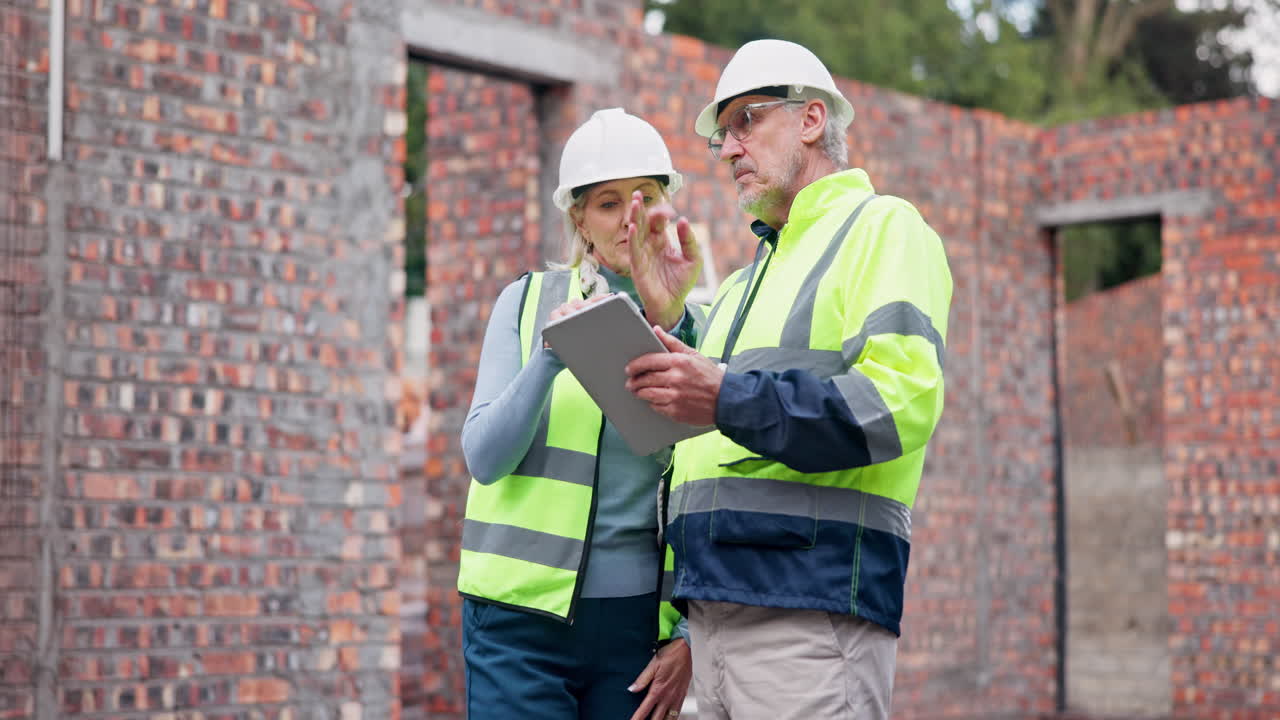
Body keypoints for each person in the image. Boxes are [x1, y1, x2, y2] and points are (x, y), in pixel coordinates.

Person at [623, 40, 954, 719]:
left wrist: (725, 395)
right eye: (722, 134)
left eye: (746, 120)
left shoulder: (883, 228)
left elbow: (898, 403)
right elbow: (703, 449)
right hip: (709, 630)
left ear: (810, 119)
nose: (727, 149)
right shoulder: (745, 282)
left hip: (810, 620)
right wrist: (670, 320)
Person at [458, 107, 703, 720]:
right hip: (518, 625)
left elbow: (712, 489)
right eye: (607, 203)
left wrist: (691, 635)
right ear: (579, 221)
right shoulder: (525, 303)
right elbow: (485, 459)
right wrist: (547, 358)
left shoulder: (698, 326)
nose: (629, 220)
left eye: (644, 198)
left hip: (636, 630)